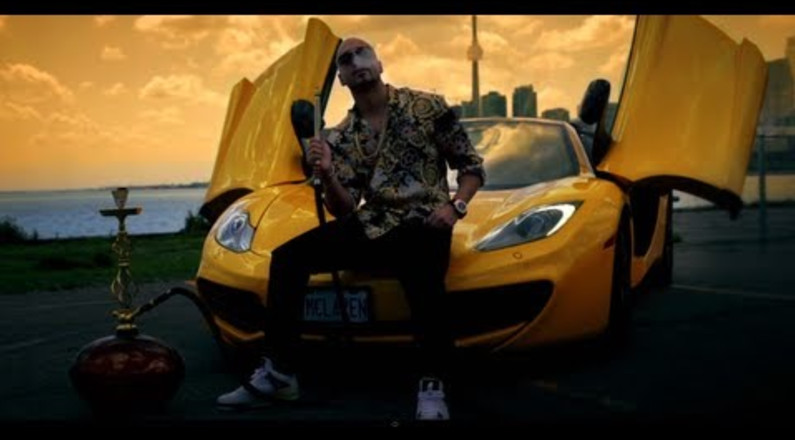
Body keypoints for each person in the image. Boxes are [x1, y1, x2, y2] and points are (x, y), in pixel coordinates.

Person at [216, 37, 485, 421]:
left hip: (424, 221)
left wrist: (455, 207)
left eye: (363, 53)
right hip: (373, 222)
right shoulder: (341, 136)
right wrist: (326, 172)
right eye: (346, 59)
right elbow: (343, 209)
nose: (356, 61)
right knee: (288, 258)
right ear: (340, 78)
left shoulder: (428, 106)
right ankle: (279, 374)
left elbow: (471, 167)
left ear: (380, 64)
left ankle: (433, 383)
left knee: (422, 274)